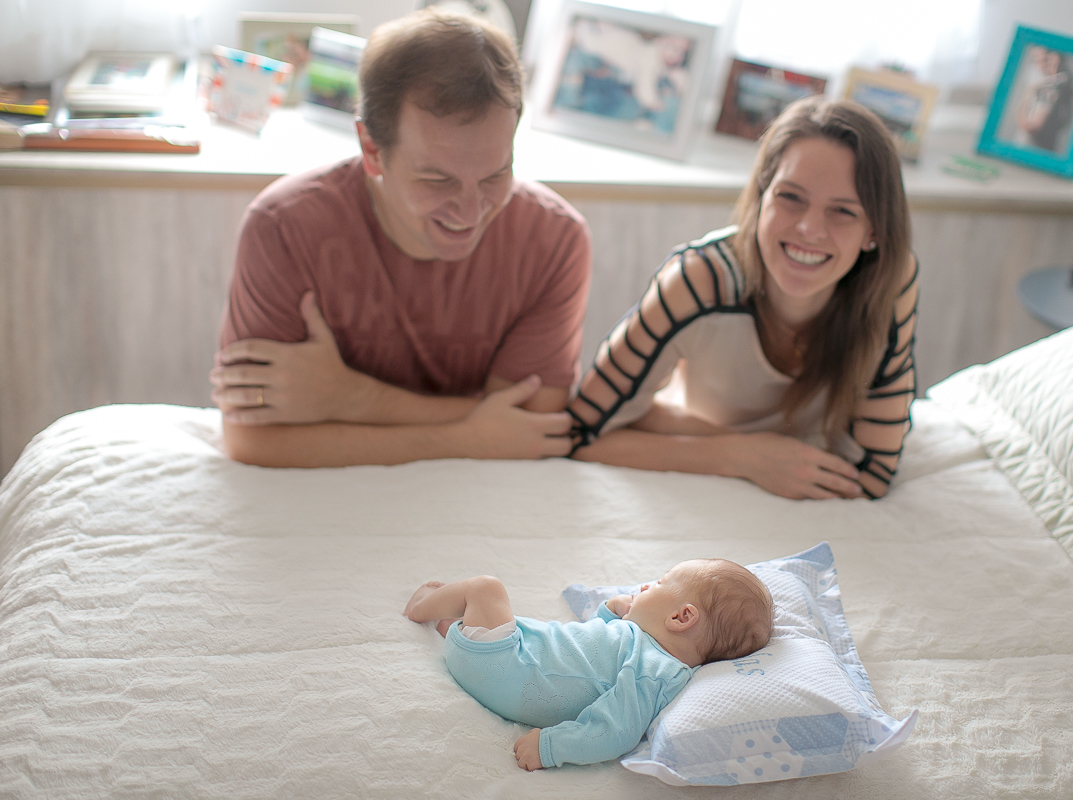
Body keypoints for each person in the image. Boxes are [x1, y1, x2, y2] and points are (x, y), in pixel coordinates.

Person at [208, 9, 592, 468]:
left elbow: (532, 427)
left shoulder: (554, 240)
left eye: (496, 173)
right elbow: (253, 440)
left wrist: (348, 399)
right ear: (372, 150)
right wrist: (468, 437)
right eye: (436, 179)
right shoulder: (283, 227)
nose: (472, 212)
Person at [568, 97, 917, 500]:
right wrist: (740, 455)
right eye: (791, 197)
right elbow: (579, 432)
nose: (809, 229)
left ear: (873, 231)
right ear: (761, 196)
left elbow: (871, 476)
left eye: (842, 211)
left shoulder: (891, 281)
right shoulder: (698, 280)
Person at [403, 558, 774, 770]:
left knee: (487, 588)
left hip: (509, 670)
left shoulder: (656, 671)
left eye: (658, 584)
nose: (644, 588)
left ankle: (422, 608)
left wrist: (552, 746)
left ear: (681, 617)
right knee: (532, 628)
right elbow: (586, 656)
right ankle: (455, 625)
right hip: (513, 664)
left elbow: (616, 729)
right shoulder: (646, 649)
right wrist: (610, 615)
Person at [1015, 48, 1073, 153]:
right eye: (1036, 59)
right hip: (1030, 145)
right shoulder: (1036, 77)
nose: (1040, 64)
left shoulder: (1051, 90)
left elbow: (1030, 127)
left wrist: (1028, 93)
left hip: (1034, 149)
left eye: (1045, 60)